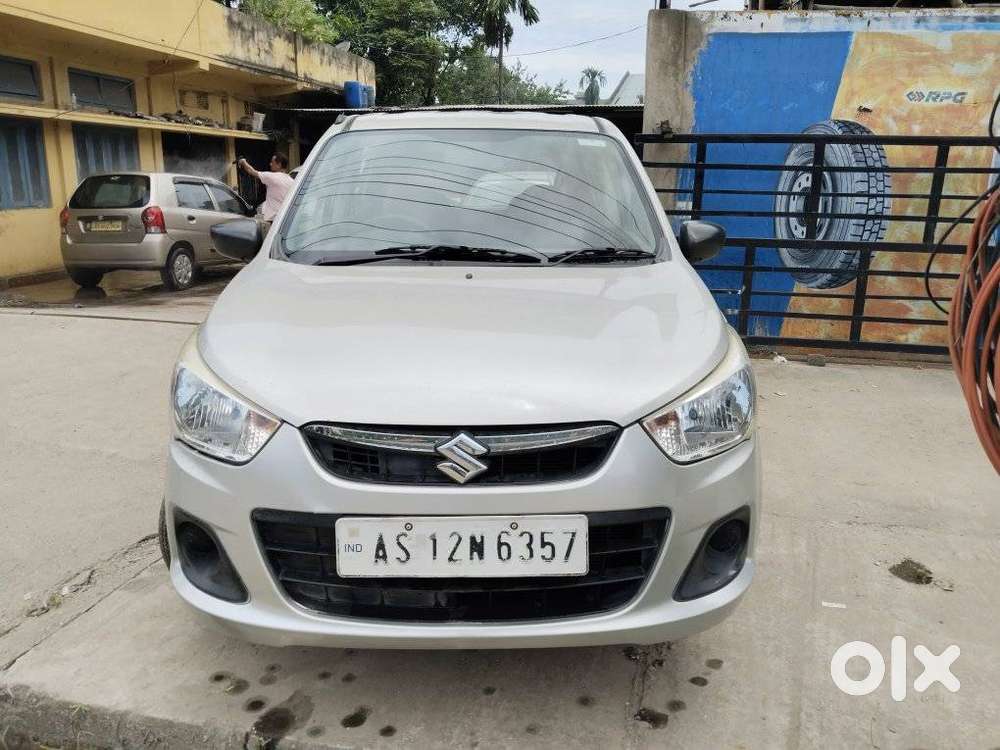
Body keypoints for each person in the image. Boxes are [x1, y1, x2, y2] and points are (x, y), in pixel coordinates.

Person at [237, 153, 294, 229]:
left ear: (279, 164)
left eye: (272, 162)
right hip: (287, 219)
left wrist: (243, 162)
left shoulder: (271, 177)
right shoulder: (291, 181)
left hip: (274, 221)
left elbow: (251, 171)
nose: (270, 164)